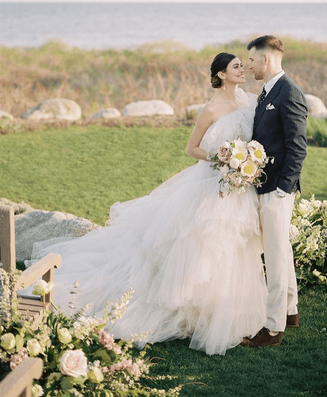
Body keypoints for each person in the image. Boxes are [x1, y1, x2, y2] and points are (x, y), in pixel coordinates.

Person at [28, 53, 267, 356]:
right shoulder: (211, 109)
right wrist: (224, 159)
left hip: (237, 188)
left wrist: (246, 159)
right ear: (221, 74)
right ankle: (189, 314)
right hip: (212, 182)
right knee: (200, 246)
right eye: (236, 66)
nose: (242, 69)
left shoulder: (247, 102)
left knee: (232, 247)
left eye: (242, 66)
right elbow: (192, 148)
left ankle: (224, 309)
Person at [241, 35, 308, 348]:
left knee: (276, 256)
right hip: (266, 184)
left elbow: (297, 146)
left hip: (277, 189)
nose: (250, 65)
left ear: (266, 59)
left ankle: (272, 329)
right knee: (282, 250)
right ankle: (291, 312)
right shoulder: (268, 92)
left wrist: (283, 189)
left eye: (252, 60)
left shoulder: (289, 92)